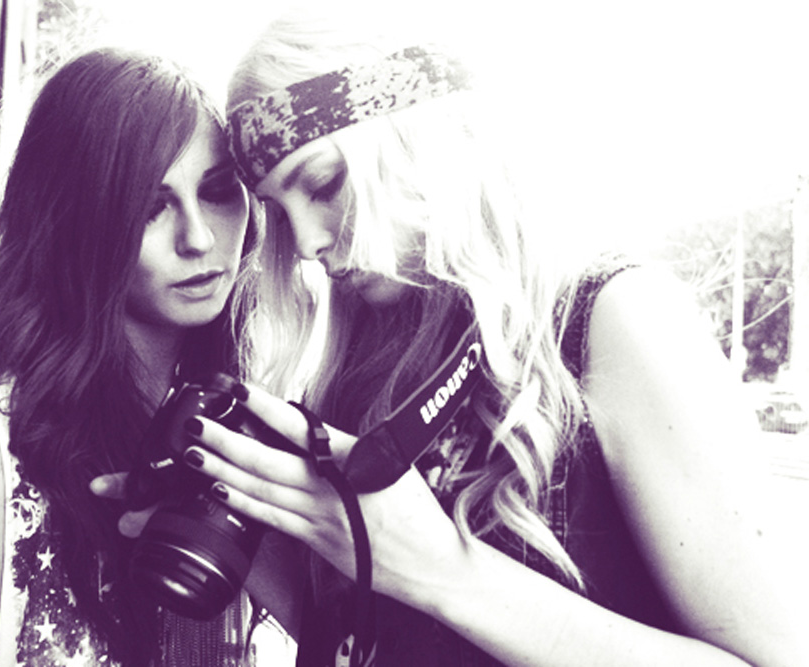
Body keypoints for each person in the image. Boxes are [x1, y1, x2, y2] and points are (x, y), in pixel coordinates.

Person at [151, 8, 808, 667]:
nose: (306, 243)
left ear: (416, 132)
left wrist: (443, 570)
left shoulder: (614, 318)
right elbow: (380, 639)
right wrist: (246, 521)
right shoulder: (360, 364)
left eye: (324, 184)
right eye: (276, 211)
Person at [0, 48, 260, 666]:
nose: (199, 238)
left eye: (218, 191)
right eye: (150, 207)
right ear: (76, 219)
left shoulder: (246, 407)